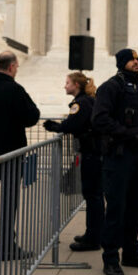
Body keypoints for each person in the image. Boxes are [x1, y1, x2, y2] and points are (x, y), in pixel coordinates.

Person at [92, 48, 138, 275]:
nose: (136, 63)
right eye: (132, 60)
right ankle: (111, 258)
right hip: (117, 156)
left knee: (135, 207)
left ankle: (131, 252)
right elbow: (99, 119)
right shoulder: (110, 87)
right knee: (116, 209)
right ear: (122, 63)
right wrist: (128, 133)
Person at [0, 51, 40, 260]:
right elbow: (32, 116)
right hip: (11, 153)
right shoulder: (14, 89)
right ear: (12, 67)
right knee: (9, 201)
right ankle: (6, 247)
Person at [43, 72, 101, 251]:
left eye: (67, 82)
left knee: (92, 195)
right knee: (94, 196)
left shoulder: (80, 103)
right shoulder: (89, 100)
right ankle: (93, 233)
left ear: (76, 84)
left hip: (91, 153)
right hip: (95, 152)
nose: (65, 86)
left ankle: (93, 238)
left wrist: (55, 126)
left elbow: (72, 124)